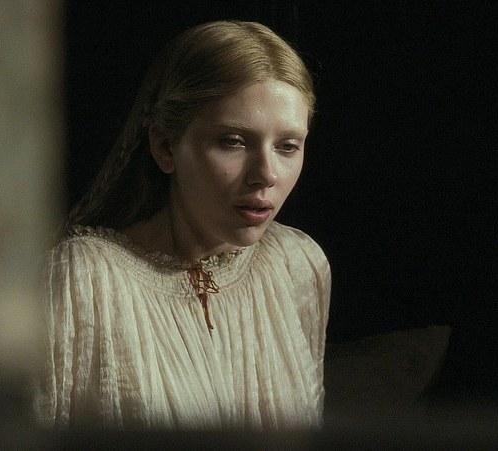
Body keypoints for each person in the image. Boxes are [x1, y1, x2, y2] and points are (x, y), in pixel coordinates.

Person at [35, 20, 330, 430]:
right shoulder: (82, 280)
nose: (266, 174)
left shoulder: (296, 263)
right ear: (165, 146)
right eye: (233, 141)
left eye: (287, 146)